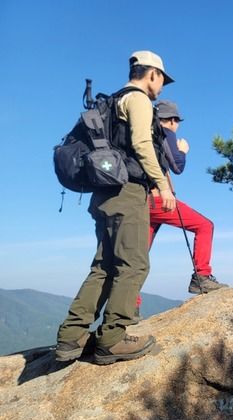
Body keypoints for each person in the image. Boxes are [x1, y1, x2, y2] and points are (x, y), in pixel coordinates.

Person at [55, 51, 175, 365]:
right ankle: (111, 339)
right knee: (134, 264)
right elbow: (141, 143)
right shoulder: (138, 100)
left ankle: (71, 335)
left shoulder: (111, 103)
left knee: (105, 265)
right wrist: (162, 185)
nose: (162, 86)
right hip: (127, 192)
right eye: (162, 79)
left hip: (103, 193)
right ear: (152, 74)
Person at [148, 100, 225, 294]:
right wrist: (182, 150)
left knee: (138, 256)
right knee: (205, 226)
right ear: (172, 120)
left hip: (139, 201)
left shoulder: (144, 134)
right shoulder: (165, 132)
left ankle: (130, 305)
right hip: (159, 201)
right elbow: (177, 166)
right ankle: (201, 277)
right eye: (177, 121)